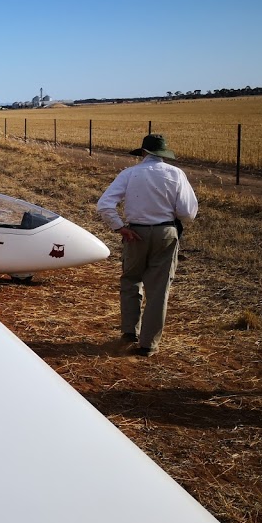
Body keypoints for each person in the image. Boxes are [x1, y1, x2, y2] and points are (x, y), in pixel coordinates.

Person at [97, 134, 198, 357]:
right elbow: (188, 213)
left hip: (135, 234)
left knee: (131, 280)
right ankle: (148, 344)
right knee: (159, 289)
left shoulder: (130, 173)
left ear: (143, 153)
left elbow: (105, 205)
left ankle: (129, 332)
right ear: (163, 154)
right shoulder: (176, 174)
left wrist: (120, 228)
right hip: (166, 233)